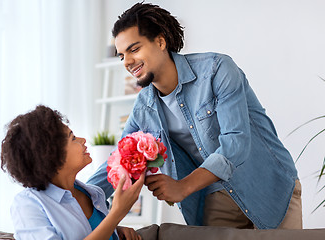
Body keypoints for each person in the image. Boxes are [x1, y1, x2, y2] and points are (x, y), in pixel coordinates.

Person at [88, 2, 302, 230]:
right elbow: (120, 159)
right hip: (215, 198)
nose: (127, 62)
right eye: (122, 56)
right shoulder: (144, 107)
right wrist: (73, 197)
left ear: (160, 42)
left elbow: (235, 143)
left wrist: (182, 186)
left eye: (134, 49)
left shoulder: (217, 70)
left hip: (269, 188)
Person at [1, 105, 143, 240]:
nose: (83, 140)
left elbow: (89, 231)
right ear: (51, 154)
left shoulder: (94, 194)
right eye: (73, 138)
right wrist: (116, 214)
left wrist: (114, 231)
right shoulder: (28, 204)